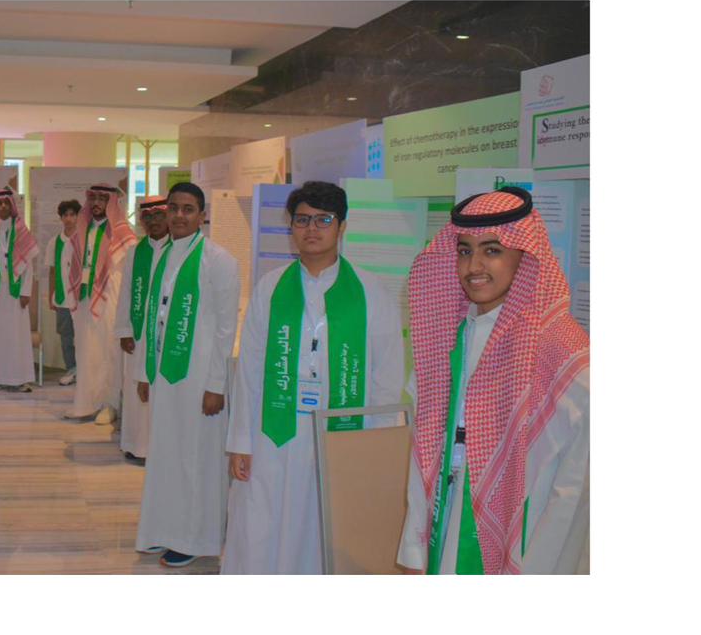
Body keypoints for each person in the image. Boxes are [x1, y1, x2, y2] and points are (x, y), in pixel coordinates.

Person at [397, 187, 590, 574]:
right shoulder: (451, 334)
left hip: (527, 528)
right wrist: (416, 541)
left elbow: (577, 477)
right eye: (465, 251)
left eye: (492, 250)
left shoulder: (559, 347)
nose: (474, 266)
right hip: (451, 507)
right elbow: (427, 443)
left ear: (525, 256)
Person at [223, 180, 403, 575]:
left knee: (328, 527)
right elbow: (249, 370)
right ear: (291, 226)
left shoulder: (372, 293)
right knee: (263, 524)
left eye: (324, 219)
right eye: (302, 220)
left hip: (342, 436)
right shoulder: (270, 289)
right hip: (275, 434)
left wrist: (377, 447)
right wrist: (241, 441)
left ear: (342, 226)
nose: (312, 229)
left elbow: (386, 378)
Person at [133, 184, 239, 567]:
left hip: (199, 380)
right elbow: (153, 317)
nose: (179, 215)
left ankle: (196, 537)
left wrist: (216, 385)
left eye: (188, 209)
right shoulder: (163, 255)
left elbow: (226, 328)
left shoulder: (219, 260)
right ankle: (163, 529)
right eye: (174, 208)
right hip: (165, 375)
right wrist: (144, 371)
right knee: (166, 455)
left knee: (196, 458)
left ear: (202, 215)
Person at [65, 183, 136, 423]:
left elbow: (126, 272)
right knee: (86, 351)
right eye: (93, 198)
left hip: (111, 299)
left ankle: (110, 404)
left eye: (102, 199)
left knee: (109, 352)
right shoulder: (82, 229)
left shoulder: (123, 233)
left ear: (112, 202)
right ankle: (86, 402)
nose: (96, 203)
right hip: (86, 299)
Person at [115, 196, 171, 463]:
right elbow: (126, 292)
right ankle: (135, 444)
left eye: (158, 215)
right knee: (136, 389)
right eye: (147, 217)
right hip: (138, 334)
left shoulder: (178, 250)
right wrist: (124, 329)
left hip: (166, 336)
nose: (153, 221)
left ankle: (160, 449)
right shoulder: (135, 252)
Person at [0, 189, 39, 391]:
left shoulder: (21, 230)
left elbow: (28, 263)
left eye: (6, 202)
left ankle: (19, 379)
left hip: (15, 291)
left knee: (17, 335)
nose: (3, 206)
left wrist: (26, 291)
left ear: (12, 205)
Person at [47, 199, 81, 386]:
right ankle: (71, 369)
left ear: (77, 217)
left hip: (81, 299)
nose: (69, 219)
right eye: (65, 215)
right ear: (61, 218)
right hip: (61, 298)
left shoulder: (84, 240)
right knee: (66, 336)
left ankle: (84, 370)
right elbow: (52, 272)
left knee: (82, 336)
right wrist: (51, 296)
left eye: (72, 215)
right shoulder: (54, 242)